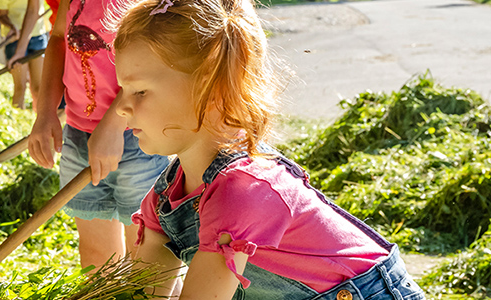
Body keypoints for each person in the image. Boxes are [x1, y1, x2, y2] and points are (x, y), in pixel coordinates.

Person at [112, 0, 429, 298]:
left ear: (210, 89)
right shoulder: (165, 199)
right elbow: (143, 290)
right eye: (122, 91)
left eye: (139, 91)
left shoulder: (242, 192)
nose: (123, 107)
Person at [25, 0, 168, 274]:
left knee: (145, 255)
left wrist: (113, 126)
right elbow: (58, 39)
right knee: (95, 255)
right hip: (78, 136)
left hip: (137, 137)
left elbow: (153, 61)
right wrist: (45, 113)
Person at [0, 0, 52, 107]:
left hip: (38, 35)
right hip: (16, 38)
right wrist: (12, 27)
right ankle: (18, 119)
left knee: (39, 88)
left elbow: (34, 10)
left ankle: (38, 119)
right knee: (20, 87)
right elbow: (2, 15)